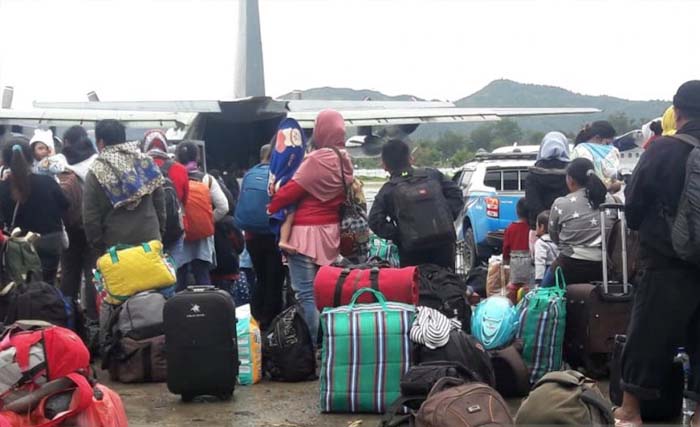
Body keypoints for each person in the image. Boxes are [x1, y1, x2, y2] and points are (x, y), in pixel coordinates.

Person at [614, 81, 700, 427]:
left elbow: (632, 209)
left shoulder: (662, 149)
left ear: (676, 113)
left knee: (647, 335)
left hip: (665, 263)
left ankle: (630, 412)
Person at [268, 109, 353, 342]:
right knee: (326, 293)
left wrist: (272, 203)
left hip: (304, 235)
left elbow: (290, 192)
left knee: (305, 294)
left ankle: (311, 347)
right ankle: (329, 343)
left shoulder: (317, 160)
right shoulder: (344, 159)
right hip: (330, 233)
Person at [369, 139, 463, 269]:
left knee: (415, 284)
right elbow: (456, 194)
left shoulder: (388, 189)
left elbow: (374, 220)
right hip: (443, 245)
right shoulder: (433, 175)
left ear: (384, 165)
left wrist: (399, 234)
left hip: (411, 250)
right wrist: (447, 217)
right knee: (447, 282)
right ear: (410, 158)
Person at [82, 119, 166, 254]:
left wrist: (99, 246)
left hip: (116, 249)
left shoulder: (96, 172)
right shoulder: (146, 162)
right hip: (150, 242)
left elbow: (90, 218)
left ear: (100, 142)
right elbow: (160, 204)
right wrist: (158, 232)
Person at [0, 137, 69, 284]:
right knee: (47, 284)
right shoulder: (47, 182)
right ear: (31, 158)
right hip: (50, 240)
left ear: (4, 161)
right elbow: (65, 205)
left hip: (18, 245)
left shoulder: (3, 188)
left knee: (20, 285)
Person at [544, 158, 614, 286]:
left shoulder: (561, 203)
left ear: (570, 179)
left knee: (542, 293)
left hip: (569, 265)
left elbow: (554, 236)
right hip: (603, 267)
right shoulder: (610, 200)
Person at [240, 144, 286, 331]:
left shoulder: (249, 174)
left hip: (252, 236)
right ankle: (271, 324)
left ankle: (256, 318)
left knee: (261, 277)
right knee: (275, 280)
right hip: (274, 235)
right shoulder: (280, 175)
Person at [174, 141, 229, 290]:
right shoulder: (208, 179)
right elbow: (223, 207)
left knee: (180, 277)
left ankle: (180, 310)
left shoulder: (173, 178)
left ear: (177, 157)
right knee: (202, 276)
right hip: (202, 237)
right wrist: (206, 220)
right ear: (197, 158)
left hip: (180, 235)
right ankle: (206, 309)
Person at [58, 126, 99, 318]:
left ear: (66, 142)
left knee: (68, 276)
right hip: (92, 227)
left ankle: (68, 320)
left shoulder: (61, 162)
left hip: (68, 228)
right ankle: (93, 321)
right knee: (93, 276)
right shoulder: (96, 161)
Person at [143, 129, 189, 272]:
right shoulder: (180, 169)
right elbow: (184, 201)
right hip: (174, 230)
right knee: (172, 272)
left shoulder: (138, 169)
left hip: (147, 231)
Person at [268, 118, 306, 254]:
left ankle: (283, 240)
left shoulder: (277, 155)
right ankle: (283, 240)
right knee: (289, 213)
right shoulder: (294, 153)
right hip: (284, 188)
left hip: (276, 187)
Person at [571, 121, 622, 192]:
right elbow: (589, 185)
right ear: (597, 138)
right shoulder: (582, 152)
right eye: (607, 143)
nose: (611, 148)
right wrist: (612, 186)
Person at [533, 210, 558, 285]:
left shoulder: (541, 243)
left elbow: (540, 262)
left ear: (542, 227)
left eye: (536, 225)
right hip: (559, 273)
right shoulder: (559, 240)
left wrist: (538, 281)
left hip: (547, 273)